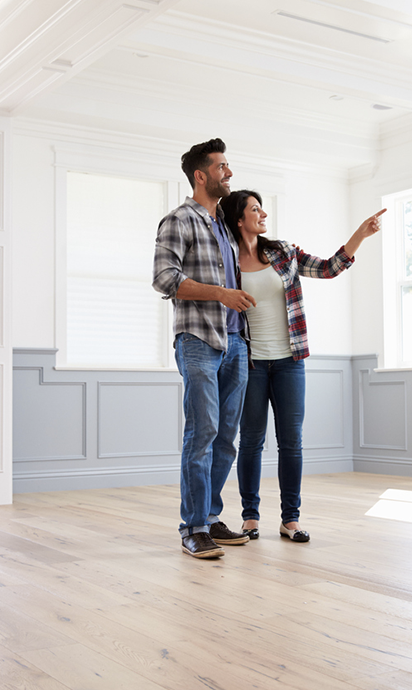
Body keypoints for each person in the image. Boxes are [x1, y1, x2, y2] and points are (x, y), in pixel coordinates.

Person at [219, 189, 385, 543]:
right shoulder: (226, 260)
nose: (263, 214)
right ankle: (250, 517)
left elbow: (327, 269)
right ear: (239, 219)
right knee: (250, 442)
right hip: (248, 362)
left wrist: (359, 235)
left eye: (262, 208)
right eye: (255, 209)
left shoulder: (282, 252)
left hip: (289, 361)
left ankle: (290, 519)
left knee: (291, 442)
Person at [152, 139, 258, 559]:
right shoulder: (178, 220)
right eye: (222, 167)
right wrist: (220, 294)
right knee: (203, 433)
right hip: (198, 339)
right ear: (201, 174)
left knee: (227, 438)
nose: (229, 173)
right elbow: (164, 278)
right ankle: (192, 527)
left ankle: (211, 517)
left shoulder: (225, 229)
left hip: (236, 342)